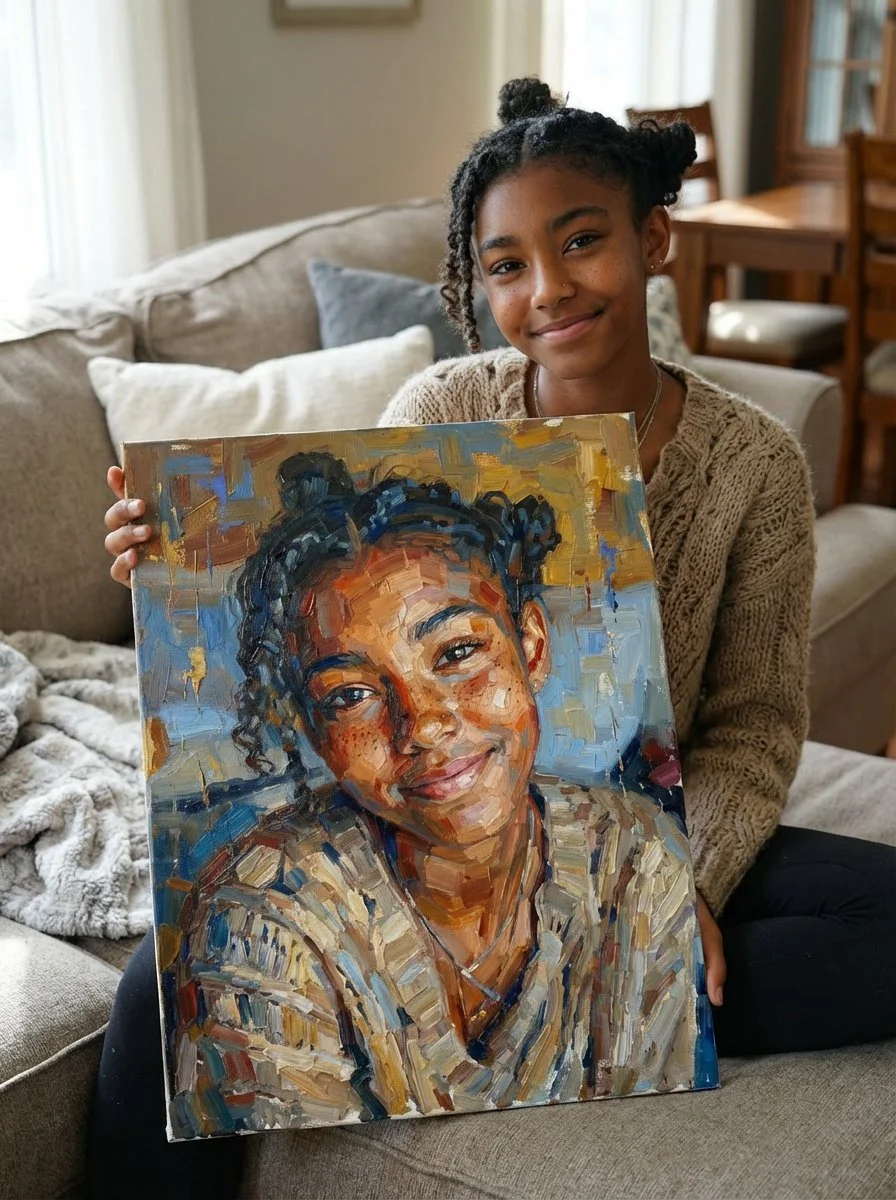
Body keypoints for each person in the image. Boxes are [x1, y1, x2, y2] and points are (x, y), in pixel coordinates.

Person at [93, 79, 896, 1199]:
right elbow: (338, 584)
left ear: (653, 239)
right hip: (409, 848)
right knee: (164, 989)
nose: (547, 289)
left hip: (630, 824)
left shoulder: (752, 461)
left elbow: (754, 726)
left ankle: (566, 1009)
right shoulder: (441, 410)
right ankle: (571, 1012)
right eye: (507, 264)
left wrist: (675, 895)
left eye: (581, 242)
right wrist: (171, 564)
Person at [163, 449, 707, 1139]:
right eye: (351, 695)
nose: (421, 724)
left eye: (456, 654)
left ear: (531, 648)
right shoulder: (262, 921)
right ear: (314, 732)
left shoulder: (638, 861)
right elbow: (309, 1172)